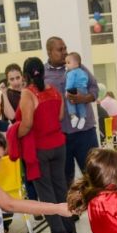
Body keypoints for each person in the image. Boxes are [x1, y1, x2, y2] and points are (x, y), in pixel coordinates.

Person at [17, 57, 77, 233]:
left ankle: (57, 231)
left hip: (40, 148)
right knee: (60, 186)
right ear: (43, 72)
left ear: (25, 75)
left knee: (45, 190)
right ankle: (70, 227)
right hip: (59, 145)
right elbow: (59, 117)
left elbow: (27, 124)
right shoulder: (55, 91)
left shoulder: (28, 94)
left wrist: (14, 135)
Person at [43, 39, 100, 185]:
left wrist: (84, 98)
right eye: (60, 50)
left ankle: (98, 207)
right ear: (49, 52)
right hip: (60, 136)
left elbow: (94, 89)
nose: (65, 52)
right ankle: (69, 208)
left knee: (94, 175)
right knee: (64, 180)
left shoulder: (78, 66)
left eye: (65, 48)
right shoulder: (43, 74)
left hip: (85, 132)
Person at [64, 53, 90, 130]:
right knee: (81, 103)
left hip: (74, 88)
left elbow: (70, 82)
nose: (66, 65)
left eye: (68, 63)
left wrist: (67, 91)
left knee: (70, 101)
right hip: (83, 89)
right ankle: (83, 118)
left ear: (76, 64)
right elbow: (86, 79)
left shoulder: (71, 73)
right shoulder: (83, 71)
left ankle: (73, 116)